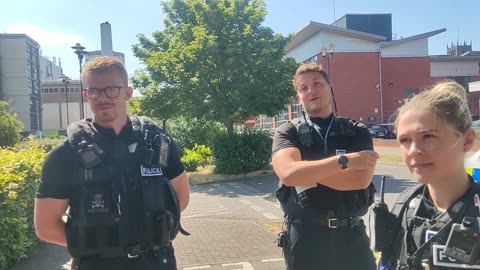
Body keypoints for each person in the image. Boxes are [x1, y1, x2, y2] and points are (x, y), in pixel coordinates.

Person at [34, 56, 190, 270]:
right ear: (86, 95)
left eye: (111, 90)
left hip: (157, 261)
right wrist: (101, 246)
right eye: (94, 91)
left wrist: (153, 231)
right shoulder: (65, 154)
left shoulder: (156, 142)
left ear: (128, 92)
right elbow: (46, 226)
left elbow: (180, 197)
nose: (102, 97)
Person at [272, 63, 379, 270]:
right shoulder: (287, 132)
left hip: (351, 235)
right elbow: (289, 174)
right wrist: (344, 162)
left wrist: (305, 170)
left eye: (317, 84)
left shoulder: (357, 131)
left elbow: (359, 180)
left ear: (330, 88)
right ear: (298, 98)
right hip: (305, 238)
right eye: (303, 88)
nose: (311, 90)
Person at [378, 81, 480, 269]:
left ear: (467, 140)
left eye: (428, 136)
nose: (414, 150)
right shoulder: (405, 205)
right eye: (405, 140)